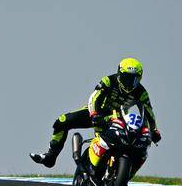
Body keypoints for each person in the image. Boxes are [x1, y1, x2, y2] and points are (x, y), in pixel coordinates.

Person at [30, 57, 162, 169]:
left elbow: (149, 112)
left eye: (134, 79)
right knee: (62, 121)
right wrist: (94, 114)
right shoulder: (108, 80)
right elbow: (94, 97)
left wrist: (154, 130)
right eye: (126, 78)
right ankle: (50, 157)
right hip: (96, 112)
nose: (129, 83)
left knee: (130, 142)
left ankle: (117, 169)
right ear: (119, 74)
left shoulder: (141, 92)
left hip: (118, 119)